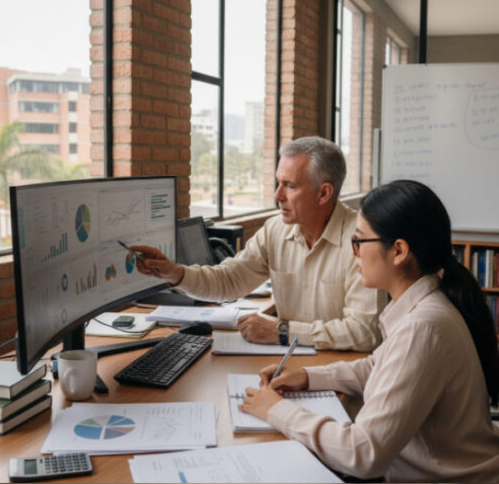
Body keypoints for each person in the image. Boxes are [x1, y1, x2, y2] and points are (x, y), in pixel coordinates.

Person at [239, 179, 499, 481]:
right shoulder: (425, 305)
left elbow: (363, 455)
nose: (354, 253)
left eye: (359, 241)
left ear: (399, 251)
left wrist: (277, 410)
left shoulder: (423, 327)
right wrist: (308, 377)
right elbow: (378, 367)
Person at [131, 137, 380, 351]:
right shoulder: (275, 230)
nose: (277, 195)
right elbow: (229, 280)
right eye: (278, 183)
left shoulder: (364, 239)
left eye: (290, 186)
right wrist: (175, 273)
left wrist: (283, 331)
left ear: (323, 193)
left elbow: (365, 332)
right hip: (290, 363)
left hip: (340, 369)